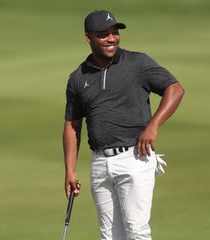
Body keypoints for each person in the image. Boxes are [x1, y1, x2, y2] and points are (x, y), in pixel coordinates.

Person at [63, 10, 184, 240]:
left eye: (115, 33)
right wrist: (70, 170)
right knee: (109, 237)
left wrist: (153, 125)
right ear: (88, 38)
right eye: (103, 34)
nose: (112, 38)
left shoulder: (137, 63)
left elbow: (175, 89)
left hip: (135, 157)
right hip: (99, 162)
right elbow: (72, 125)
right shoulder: (78, 77)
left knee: (136, 232)